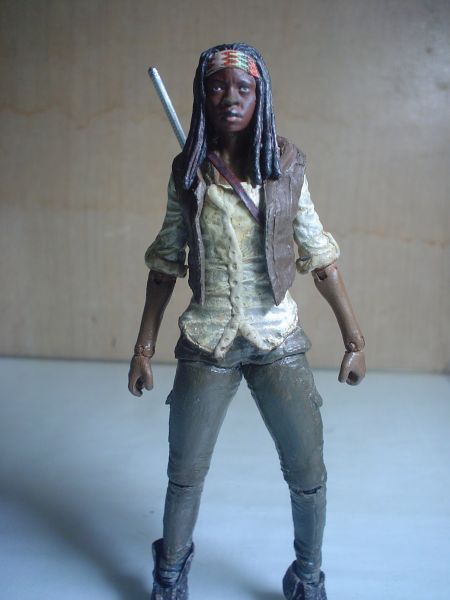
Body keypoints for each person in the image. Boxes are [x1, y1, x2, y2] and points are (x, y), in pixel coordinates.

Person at [128, 43, 365, 600]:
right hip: (207, 338)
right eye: (217, 86)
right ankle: (170, 570)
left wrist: (354, 340)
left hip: (275, 336)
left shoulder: (286, 168)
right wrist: (143, 348)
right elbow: (165, 263)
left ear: (261, 96)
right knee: (185, 473)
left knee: (308, 473)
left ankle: (308, 575)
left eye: (244, 88)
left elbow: (320, 258)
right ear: (201, 95)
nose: (230, 98)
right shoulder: (188, 172)